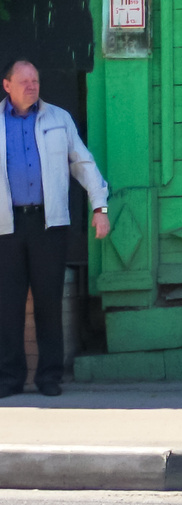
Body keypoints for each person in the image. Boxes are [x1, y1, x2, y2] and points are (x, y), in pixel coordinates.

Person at [3, 60, 110, 397]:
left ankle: (49, 377)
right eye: (24, 81)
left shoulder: (58, 119)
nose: (32, 86)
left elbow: (83, 163)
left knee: (49, 301)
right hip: (5, 225)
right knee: (8, 303)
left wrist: (100, 207)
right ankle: (9, 378)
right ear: (7, 85)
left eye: (35, 80)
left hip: (49, 224)